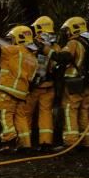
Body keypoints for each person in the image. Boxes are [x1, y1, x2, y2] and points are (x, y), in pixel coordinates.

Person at [0, 26, 38, 153]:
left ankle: (9, 142)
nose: (11, 41)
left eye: (13, 38)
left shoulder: (14, 50)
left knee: (4, 114)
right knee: (20, 117)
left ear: (19, 38)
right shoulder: (33, 58)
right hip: (22, 93)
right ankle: (25, 144)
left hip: (8, 89)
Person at [54, 16, 89, 150]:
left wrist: (48, 50)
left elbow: (63, 57)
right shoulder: (88, 42)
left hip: (73, 84)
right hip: (87, 84)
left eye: (67, 30)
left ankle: (70, 142)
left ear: (74, 30)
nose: (66, 33)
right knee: (84, 112)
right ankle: (85, 142)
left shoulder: (73, 43)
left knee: (69, 111)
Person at [26, 16, 60, 152]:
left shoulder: (34, 44)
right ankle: (46, 143)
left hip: (33, 87)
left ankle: (25, 143)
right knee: (46, 114)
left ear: (39, 28)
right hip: (49, 86)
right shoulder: (55, 45)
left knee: (26, 114)